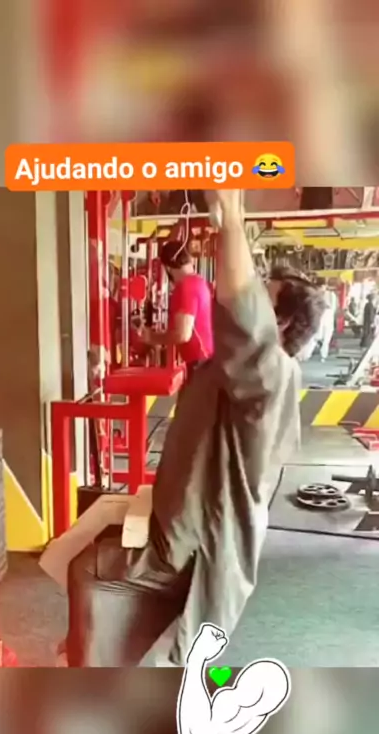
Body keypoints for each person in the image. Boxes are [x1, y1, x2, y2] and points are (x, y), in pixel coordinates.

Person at [71, 189, 326, 668]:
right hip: (185, 531)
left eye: (264, 297)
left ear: (282, 322)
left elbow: (242, 314)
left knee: (91, 570)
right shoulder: (246, 372)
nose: (247, 300)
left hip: (197, 549)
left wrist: (231, 220)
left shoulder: (272, 375)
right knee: (92, 563)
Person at [139, 240, 214, 383]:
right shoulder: (199, 282)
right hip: (205, 363)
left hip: (200, 365)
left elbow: (182, 334)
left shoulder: (186, 287)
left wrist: (152, 337)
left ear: (168, 268)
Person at [317, 285, 338, 361]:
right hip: (326, 316)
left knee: (323, 337)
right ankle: (323, 354)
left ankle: (323, 354)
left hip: (325, 316)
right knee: (323, 337)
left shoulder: (326, 295)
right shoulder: (329, 295)